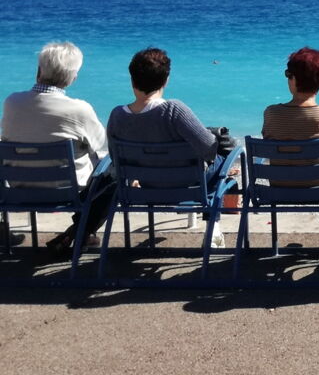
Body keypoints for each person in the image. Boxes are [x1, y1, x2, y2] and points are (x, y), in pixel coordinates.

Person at [1, 41, 115, 255]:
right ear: (73, 78)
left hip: (18, 189)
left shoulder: (11, 103)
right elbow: (103, 146)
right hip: (68, 192)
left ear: (39, 70)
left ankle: (78, 232)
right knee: (113, 174)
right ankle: (81, 230)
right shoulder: (79, 109)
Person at [106, 48, 226, 245]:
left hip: (147, 185)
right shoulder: (173, 110)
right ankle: (213, 227)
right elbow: (208, 147)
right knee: (221, 164)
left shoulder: (117, 115)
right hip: (186, 184)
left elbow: (114, 156)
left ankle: (213, 227)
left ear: (132, 80)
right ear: (166, 80)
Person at [261, 47, 319, 253]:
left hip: (280, 185)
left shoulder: (271, 113)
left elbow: (268, 142)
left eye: (288, 74)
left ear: (293, 80)